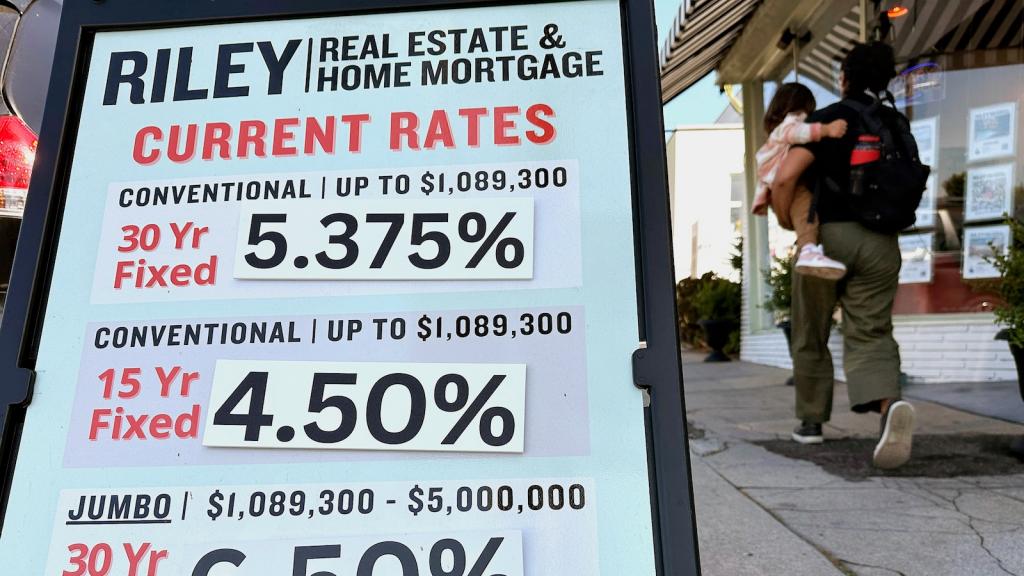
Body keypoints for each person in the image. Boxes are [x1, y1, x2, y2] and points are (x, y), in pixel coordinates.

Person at [770, 41, 916, 469]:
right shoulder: (894, 122)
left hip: (826, 238)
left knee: (810, 331)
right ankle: (889, 408)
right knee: (871, 331)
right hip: (880, 242)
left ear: (845, 78)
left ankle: (811, 422)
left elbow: (785, 178)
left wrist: (788, 221)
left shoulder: (830, 118)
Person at [753, 83, 848, 280]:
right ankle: (809, 249)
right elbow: (796, 133)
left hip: (774, 184)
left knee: (802, 211)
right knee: (805, 208)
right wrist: (826, 129)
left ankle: (808, 249)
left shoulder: (777, 131)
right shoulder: (791, 123)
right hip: (785, 184)